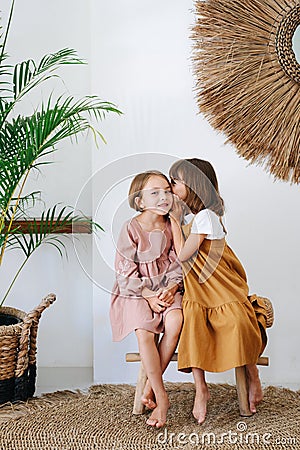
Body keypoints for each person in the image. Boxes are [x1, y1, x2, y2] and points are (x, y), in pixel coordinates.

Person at [168, 158, 268, 424]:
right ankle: (201, 389)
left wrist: (175, 221)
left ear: (194, 185)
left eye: (175, 182)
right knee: (193, 328)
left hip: (221, 287)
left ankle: (252, 373)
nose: (171, 186)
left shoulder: (206, 217)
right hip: (198, 292)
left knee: (238, 323)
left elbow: (183, 254)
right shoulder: (192, 218)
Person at [110, 170, 183, 428]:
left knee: (175, 322)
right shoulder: (130, 228)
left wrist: (172, 289)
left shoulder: (171, 226)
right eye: (155, 193)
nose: (164, 196)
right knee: (144, 331)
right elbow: (126, 271)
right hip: (136, 291)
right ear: (140, 201)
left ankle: (151, 389)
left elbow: (179, 262)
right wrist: (149, 295)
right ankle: (162, 398)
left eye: (167, 190)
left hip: (167, 288)